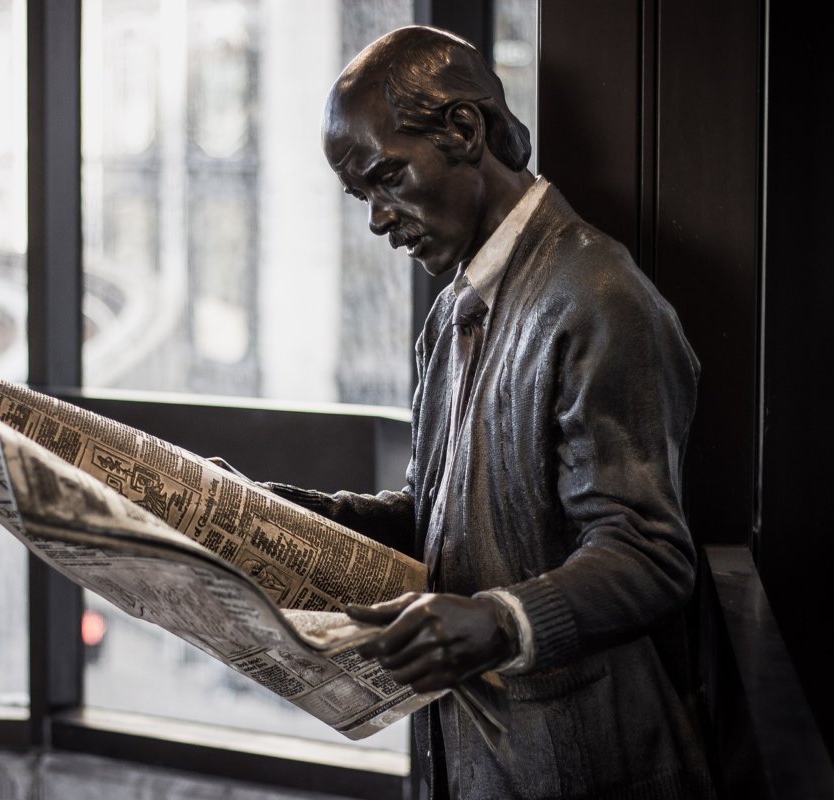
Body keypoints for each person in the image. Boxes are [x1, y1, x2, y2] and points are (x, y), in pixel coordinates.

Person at [262, 25, 713, 799]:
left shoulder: (600, 297)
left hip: (587, 766)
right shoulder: (452, 316)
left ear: (464, 131)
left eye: (386, 178)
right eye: (361, 195)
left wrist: (500, 621)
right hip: (479, 758)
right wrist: (272, 516)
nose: (377, 219)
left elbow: (649, 552)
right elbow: (442, 519)